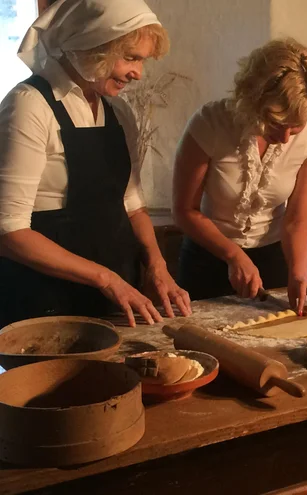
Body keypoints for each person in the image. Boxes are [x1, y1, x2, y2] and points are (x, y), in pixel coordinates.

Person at [0, 0, 191, 328]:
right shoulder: (29, 107)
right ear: (92, 44)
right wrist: (106, 279)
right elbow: (9, 230)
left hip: (115, 300)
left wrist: (158, 266)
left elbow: (132, 205)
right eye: (130, 58)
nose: (138, 73)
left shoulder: (119, 113)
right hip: (45, 303)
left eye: (142, 60)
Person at [173, 38, 307, 315]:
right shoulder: (210, 124)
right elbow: (185, 211)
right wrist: (233, 254)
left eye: (294, 128)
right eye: (275, 123)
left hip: (273, 258)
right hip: (206, 259)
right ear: (253, 100)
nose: (283, 138)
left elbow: (296, 218)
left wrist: (299, 275)